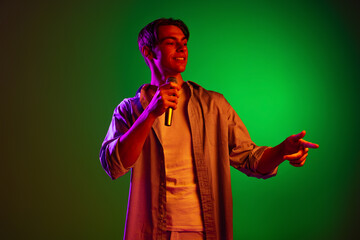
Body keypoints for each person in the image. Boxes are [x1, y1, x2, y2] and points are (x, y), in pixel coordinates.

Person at [99, 18, 319, 240]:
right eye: (170, 42)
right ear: (148, 52)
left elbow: (251, 160)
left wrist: (281, 151)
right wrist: (150, 114)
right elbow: (114, 165)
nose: (181, 48)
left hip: (203, 230)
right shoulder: (129, 109)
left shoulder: (214, 105)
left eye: (184, 42)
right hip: (150, 231)